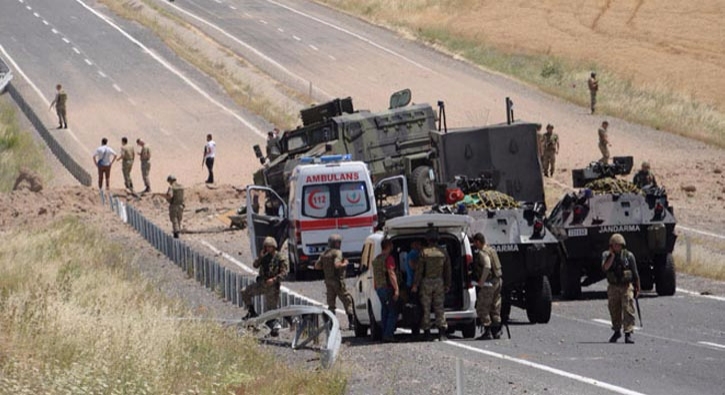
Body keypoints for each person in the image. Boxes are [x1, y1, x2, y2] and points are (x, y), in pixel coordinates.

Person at [240, 236, 288, 336]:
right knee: (244, 291)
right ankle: (251, 312)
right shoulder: (264, 257)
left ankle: (274, 329)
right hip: (261, 284)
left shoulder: (280, 258)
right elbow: (255, 265)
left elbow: (284, 273)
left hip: (272, 288)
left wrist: (274, 280)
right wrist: (260, 257)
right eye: (266, 247)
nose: (268, 249)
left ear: (274, 247)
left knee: (271, 312)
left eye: (270, 247)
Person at [412, 229, 451, 341]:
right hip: (439, 282)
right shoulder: (443, 252)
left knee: (426, 308)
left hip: (427, 282)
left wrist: (415, 284)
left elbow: (419, 270)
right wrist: (447, 284)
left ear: (428, 240)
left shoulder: (424, 252)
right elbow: (448, 270)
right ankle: (442, 333)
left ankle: (427, 332)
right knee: (439, 307)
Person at [601, 233, 640, 344]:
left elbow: (635, 272)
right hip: (613, 287)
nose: (617, 247)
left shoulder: (628, 256)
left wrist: (637, 287)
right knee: (614, 309)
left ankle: (628, 333)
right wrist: (612, 256)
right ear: (611, 246)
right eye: (615, 245)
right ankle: (616, 330)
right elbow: (605, 268)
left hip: (626, 286)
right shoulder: (606, 255)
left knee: (628, 308)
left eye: (619, 245)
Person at [314, 234, 355, 330]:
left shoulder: (324, 254)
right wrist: (345, 263)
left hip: (328, 281)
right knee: (347, 300)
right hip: (338, 282)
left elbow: (317, 266)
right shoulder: (337, 253)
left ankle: (331, 324)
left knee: (331, 304)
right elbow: (337, 264)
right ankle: (352, 322)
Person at [471, 233, 503, 340]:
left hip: (489, 283)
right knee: (495, 306)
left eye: (475, 243)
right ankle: (497, 331)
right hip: (498, 281)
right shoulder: (491, 250)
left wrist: (481, 281)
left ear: (478, 242)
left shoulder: (483, 253)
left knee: (482, 307)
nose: (475, 245)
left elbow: (487, 266)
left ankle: (487, 331)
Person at [371, 238, 399, 342]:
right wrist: (396, 289)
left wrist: (376, 286)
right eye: (391, 245)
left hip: (379, 288)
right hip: (387, 288)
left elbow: (376, 274)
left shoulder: (377, 259)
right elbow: (391, 274)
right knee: (392, 311)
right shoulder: (389, 258)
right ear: (388, 246)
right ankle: (388, 334)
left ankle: (384, 333)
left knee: (385, 310)